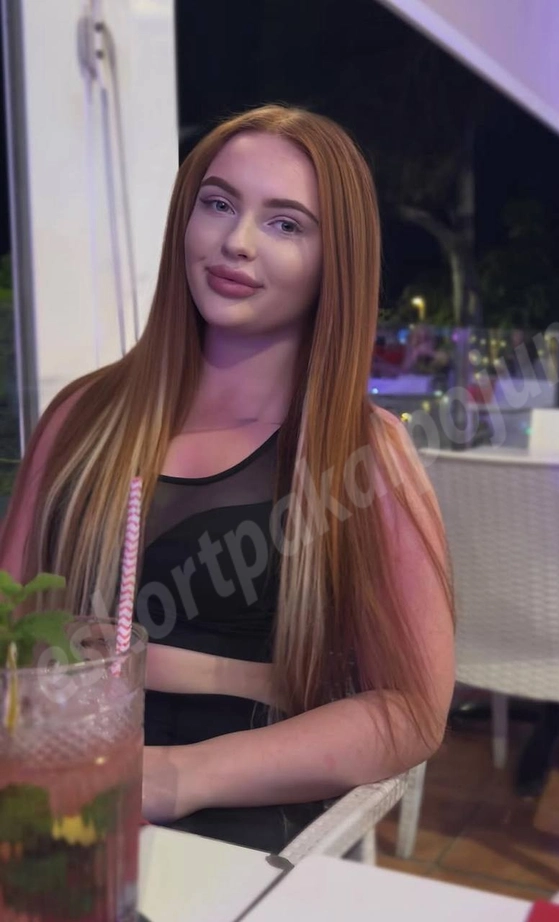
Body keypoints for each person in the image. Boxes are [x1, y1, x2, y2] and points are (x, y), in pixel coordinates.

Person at [0, 105, 455, 852]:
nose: (237, 241)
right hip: (60, 781)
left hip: (245, 807)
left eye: (285, 224)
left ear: (335, 260)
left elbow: (412, 710)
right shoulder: (82, 417)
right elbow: (11, 627)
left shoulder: (364, 456)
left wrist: (173, 776)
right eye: (218, 204)